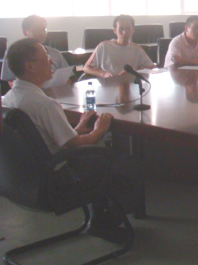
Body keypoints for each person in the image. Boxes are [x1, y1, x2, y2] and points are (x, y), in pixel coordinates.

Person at [3, 38, 133, 243]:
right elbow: (76, 145)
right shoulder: (44, 104)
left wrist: (77, 129)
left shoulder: (9, 99)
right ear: (31, 66)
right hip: (58, 179)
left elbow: (43, 138)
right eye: (46, 57)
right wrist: (99, 130)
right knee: (123, 164)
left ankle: (98, 217)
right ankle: (103, 223)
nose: (52, 62)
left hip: (23, 182)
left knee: (96, 160)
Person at [1, 15, 71, 87]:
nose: (41, 33)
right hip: (28, 92)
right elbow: (10, 81)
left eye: (43, 29)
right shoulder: (14, 53)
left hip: (55, 92)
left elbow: (68, 78)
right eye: (37, 30)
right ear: (25, 33)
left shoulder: (55, 53)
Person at [84, 15, 155, 77]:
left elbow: (151, 66)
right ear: (114, 30)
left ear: (133, 30)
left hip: (130, 84)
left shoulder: (137, 49)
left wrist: (133, 72)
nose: (124, 32)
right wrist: (103, 74)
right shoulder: (103, 46)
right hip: (108, 84)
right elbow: (86, 68)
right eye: (121, 29)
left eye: (128, 29)